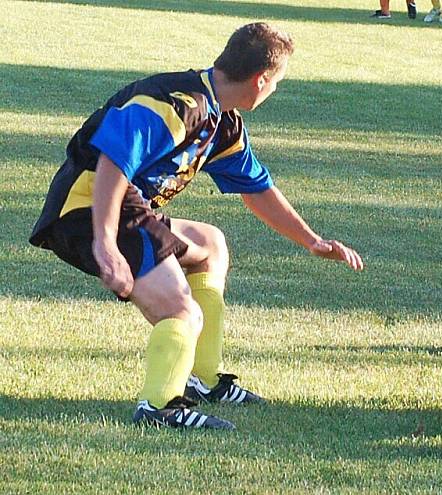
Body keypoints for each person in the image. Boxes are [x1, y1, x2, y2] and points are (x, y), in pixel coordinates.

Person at [29, 22, 364, 430]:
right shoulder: (177, 106)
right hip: (85, 207)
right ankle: (159, 408)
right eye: (278, 81)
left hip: (127, 208)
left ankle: (203, 380)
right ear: (260, 80)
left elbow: (257, 189)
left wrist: (312, 242)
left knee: (210, 244)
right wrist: (106, 245)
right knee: (180, 309)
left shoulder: (223, 122)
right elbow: (112, 162)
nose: (277, 89)